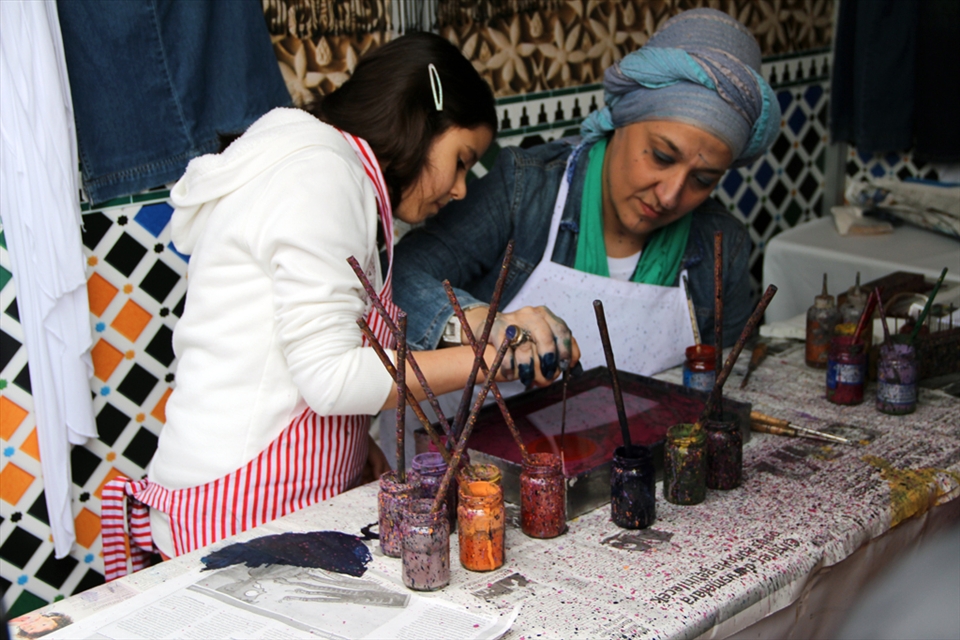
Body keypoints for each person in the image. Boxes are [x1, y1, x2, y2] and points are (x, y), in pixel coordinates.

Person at [99, 32, 543, 579]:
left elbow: (308, 354)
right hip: (237, 507)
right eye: (460, 160)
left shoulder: (338, 175)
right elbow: (330, 378)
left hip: (268, 500)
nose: (457, 190)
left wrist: (354, 454)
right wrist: (488, 356)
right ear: (420, 122)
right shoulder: (320, 175)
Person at [393, 8, 781, 383]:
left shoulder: (720, 245)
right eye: (662, 156)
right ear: (621, 118)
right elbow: (401, 277)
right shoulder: (525, 192)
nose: (670, 195)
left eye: (703, 179)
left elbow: (730, 380)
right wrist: (479, 320)